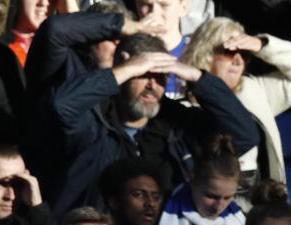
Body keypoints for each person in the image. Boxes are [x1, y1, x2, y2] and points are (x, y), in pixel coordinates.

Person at [46, 31, 259, 214]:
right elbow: (61, 106)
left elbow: (244, 135)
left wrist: (198, 77)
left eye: (161, 77)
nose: (152, 85)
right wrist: (125, 69)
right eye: (144, 74)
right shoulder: (93, 118)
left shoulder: (177, 125)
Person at [180, 18, 291, 190]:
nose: (238, 61)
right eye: (230, 52)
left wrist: (262, 45)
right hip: (213, 203)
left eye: (245, 54)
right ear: (205, 53)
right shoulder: (186, 107)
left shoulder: (255, 91)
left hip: (263, 201)